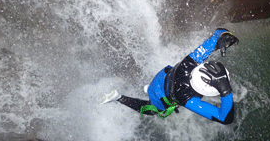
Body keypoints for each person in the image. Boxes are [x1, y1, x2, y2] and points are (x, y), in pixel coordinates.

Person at [100, 28, 239, 124]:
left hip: (163, 77)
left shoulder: (189, 63)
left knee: (160, 88)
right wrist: (225, 90)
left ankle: (149, 88)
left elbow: (218, 33)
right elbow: (224, 118)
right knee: (152, 110)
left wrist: (224, 37)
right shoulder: (187, 99)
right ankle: (119, 97)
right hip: (160, 94)